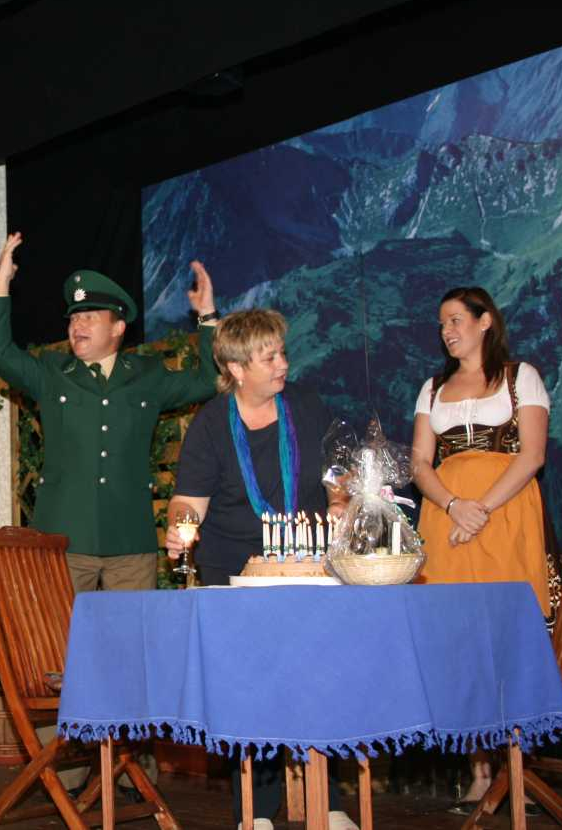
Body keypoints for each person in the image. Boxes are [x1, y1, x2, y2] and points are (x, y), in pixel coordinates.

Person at [164, 308, 356, 830]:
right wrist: (180, 528)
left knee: (319, 681)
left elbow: (337, 471)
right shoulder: (210, 424)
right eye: (268, 357)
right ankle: (256, 811)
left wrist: (339, 501)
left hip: (307, 569)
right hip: (234, 572)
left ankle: (329, 803)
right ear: (236, 368)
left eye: (282, 353)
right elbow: (189, 502)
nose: (282, 364)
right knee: (251, 687)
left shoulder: (307, 407)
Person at [0, 232, 219, 594]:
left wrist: (207, 315)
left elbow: (209, 380)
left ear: (118, 328)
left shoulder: (148, 376)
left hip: (130, 541)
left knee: (130, 630)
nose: (78, 326)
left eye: (90, 317)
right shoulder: (51, 373)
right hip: (62, 539)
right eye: (74, 318)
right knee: (62, 631)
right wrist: (2, 281)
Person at [410, 286, 550, 814]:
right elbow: (420, 463)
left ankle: (520, 770)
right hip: (446, 521)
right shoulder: (432, 389)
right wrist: (453, 506)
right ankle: (479, 773)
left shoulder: (520, 377)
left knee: (509, 638)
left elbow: (532, 455)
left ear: (484, 320)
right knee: (458, 642)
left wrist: (481, 509)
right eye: (442, 323)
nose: (447, 331)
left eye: (455, 320)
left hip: (505, 516)